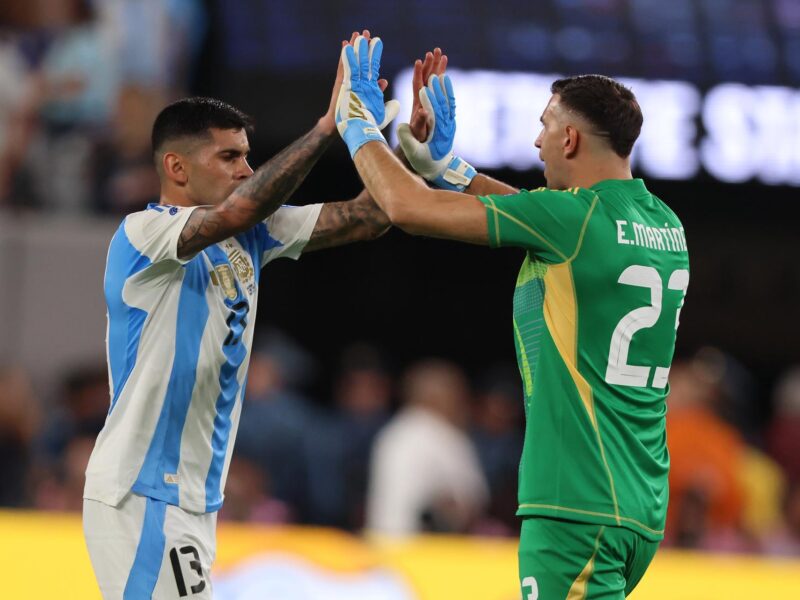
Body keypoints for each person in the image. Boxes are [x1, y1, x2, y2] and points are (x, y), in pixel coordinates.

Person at [335, 35, 690, 598]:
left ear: (570, 137)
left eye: (545, 125)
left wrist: (357, 127)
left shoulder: (570, 221)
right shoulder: (663, 224)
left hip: (574, 502)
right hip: (637, 504)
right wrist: (449, 168)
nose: (537, 140)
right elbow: (542, 219)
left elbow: (407, 207)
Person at [81, 30, 424, 599]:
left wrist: (409, 152)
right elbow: (241, 208)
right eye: (229, 156)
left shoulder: (253, 237)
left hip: (194, 501)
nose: (246, 168)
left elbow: (369, 216)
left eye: (247, 155)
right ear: (177, 167)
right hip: (141, 491)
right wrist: (325, 129)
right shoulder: (144, 234)